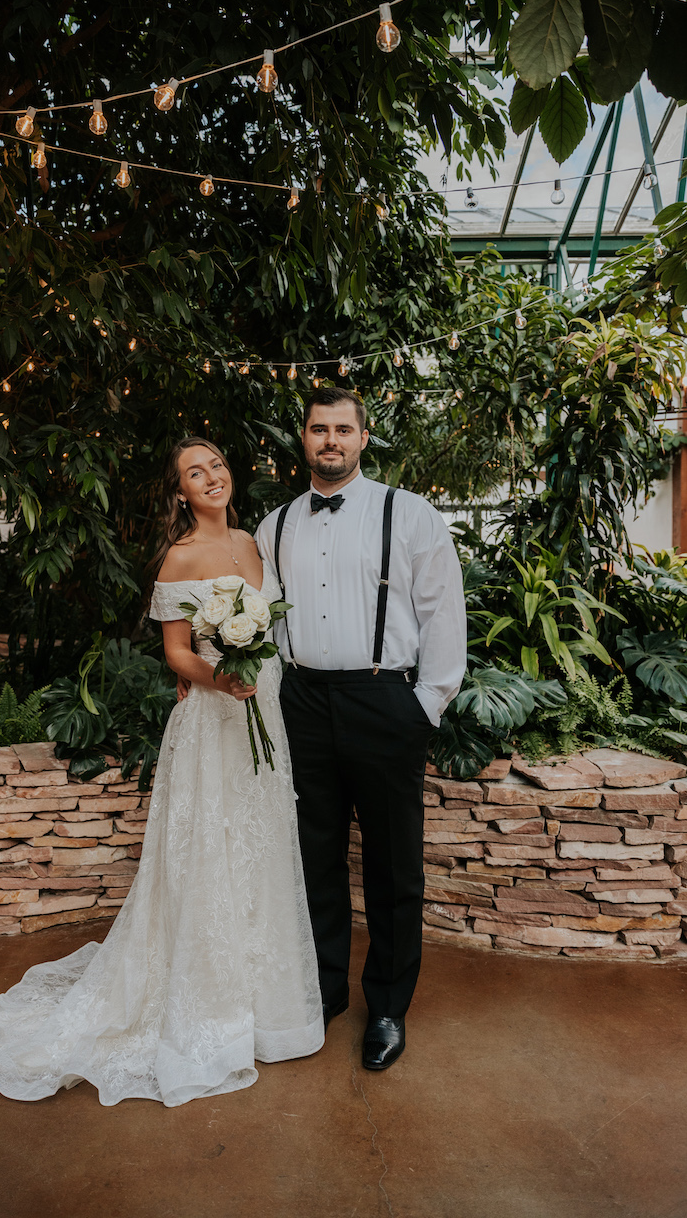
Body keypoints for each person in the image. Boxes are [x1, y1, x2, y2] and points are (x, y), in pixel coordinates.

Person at [0, 437, 323, 1106]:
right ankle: (209, 1005)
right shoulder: (178, 558)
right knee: (209, 857)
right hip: (214, 723)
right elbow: (176, 656)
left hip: (264, 715)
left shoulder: (255, 543)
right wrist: (220, 678)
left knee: (261, 851)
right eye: (195, 471)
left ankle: (268, 1009)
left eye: (216, 464)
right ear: (180, 492)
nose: (211, 476)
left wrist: (251, 678)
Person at [255, 388, 466, 1072]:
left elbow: (443, 615)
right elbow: (258, 622)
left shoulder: (408, 515)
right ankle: (322, 991)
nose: (330, 441)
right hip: (303, 702)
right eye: (319, 428)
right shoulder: (274, 524)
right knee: (313, 856)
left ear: (363, 438)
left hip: (383, 700)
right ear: (303, 436)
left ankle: (386, 1006)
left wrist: (423, 704)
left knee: (391, 862)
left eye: (342, 429)